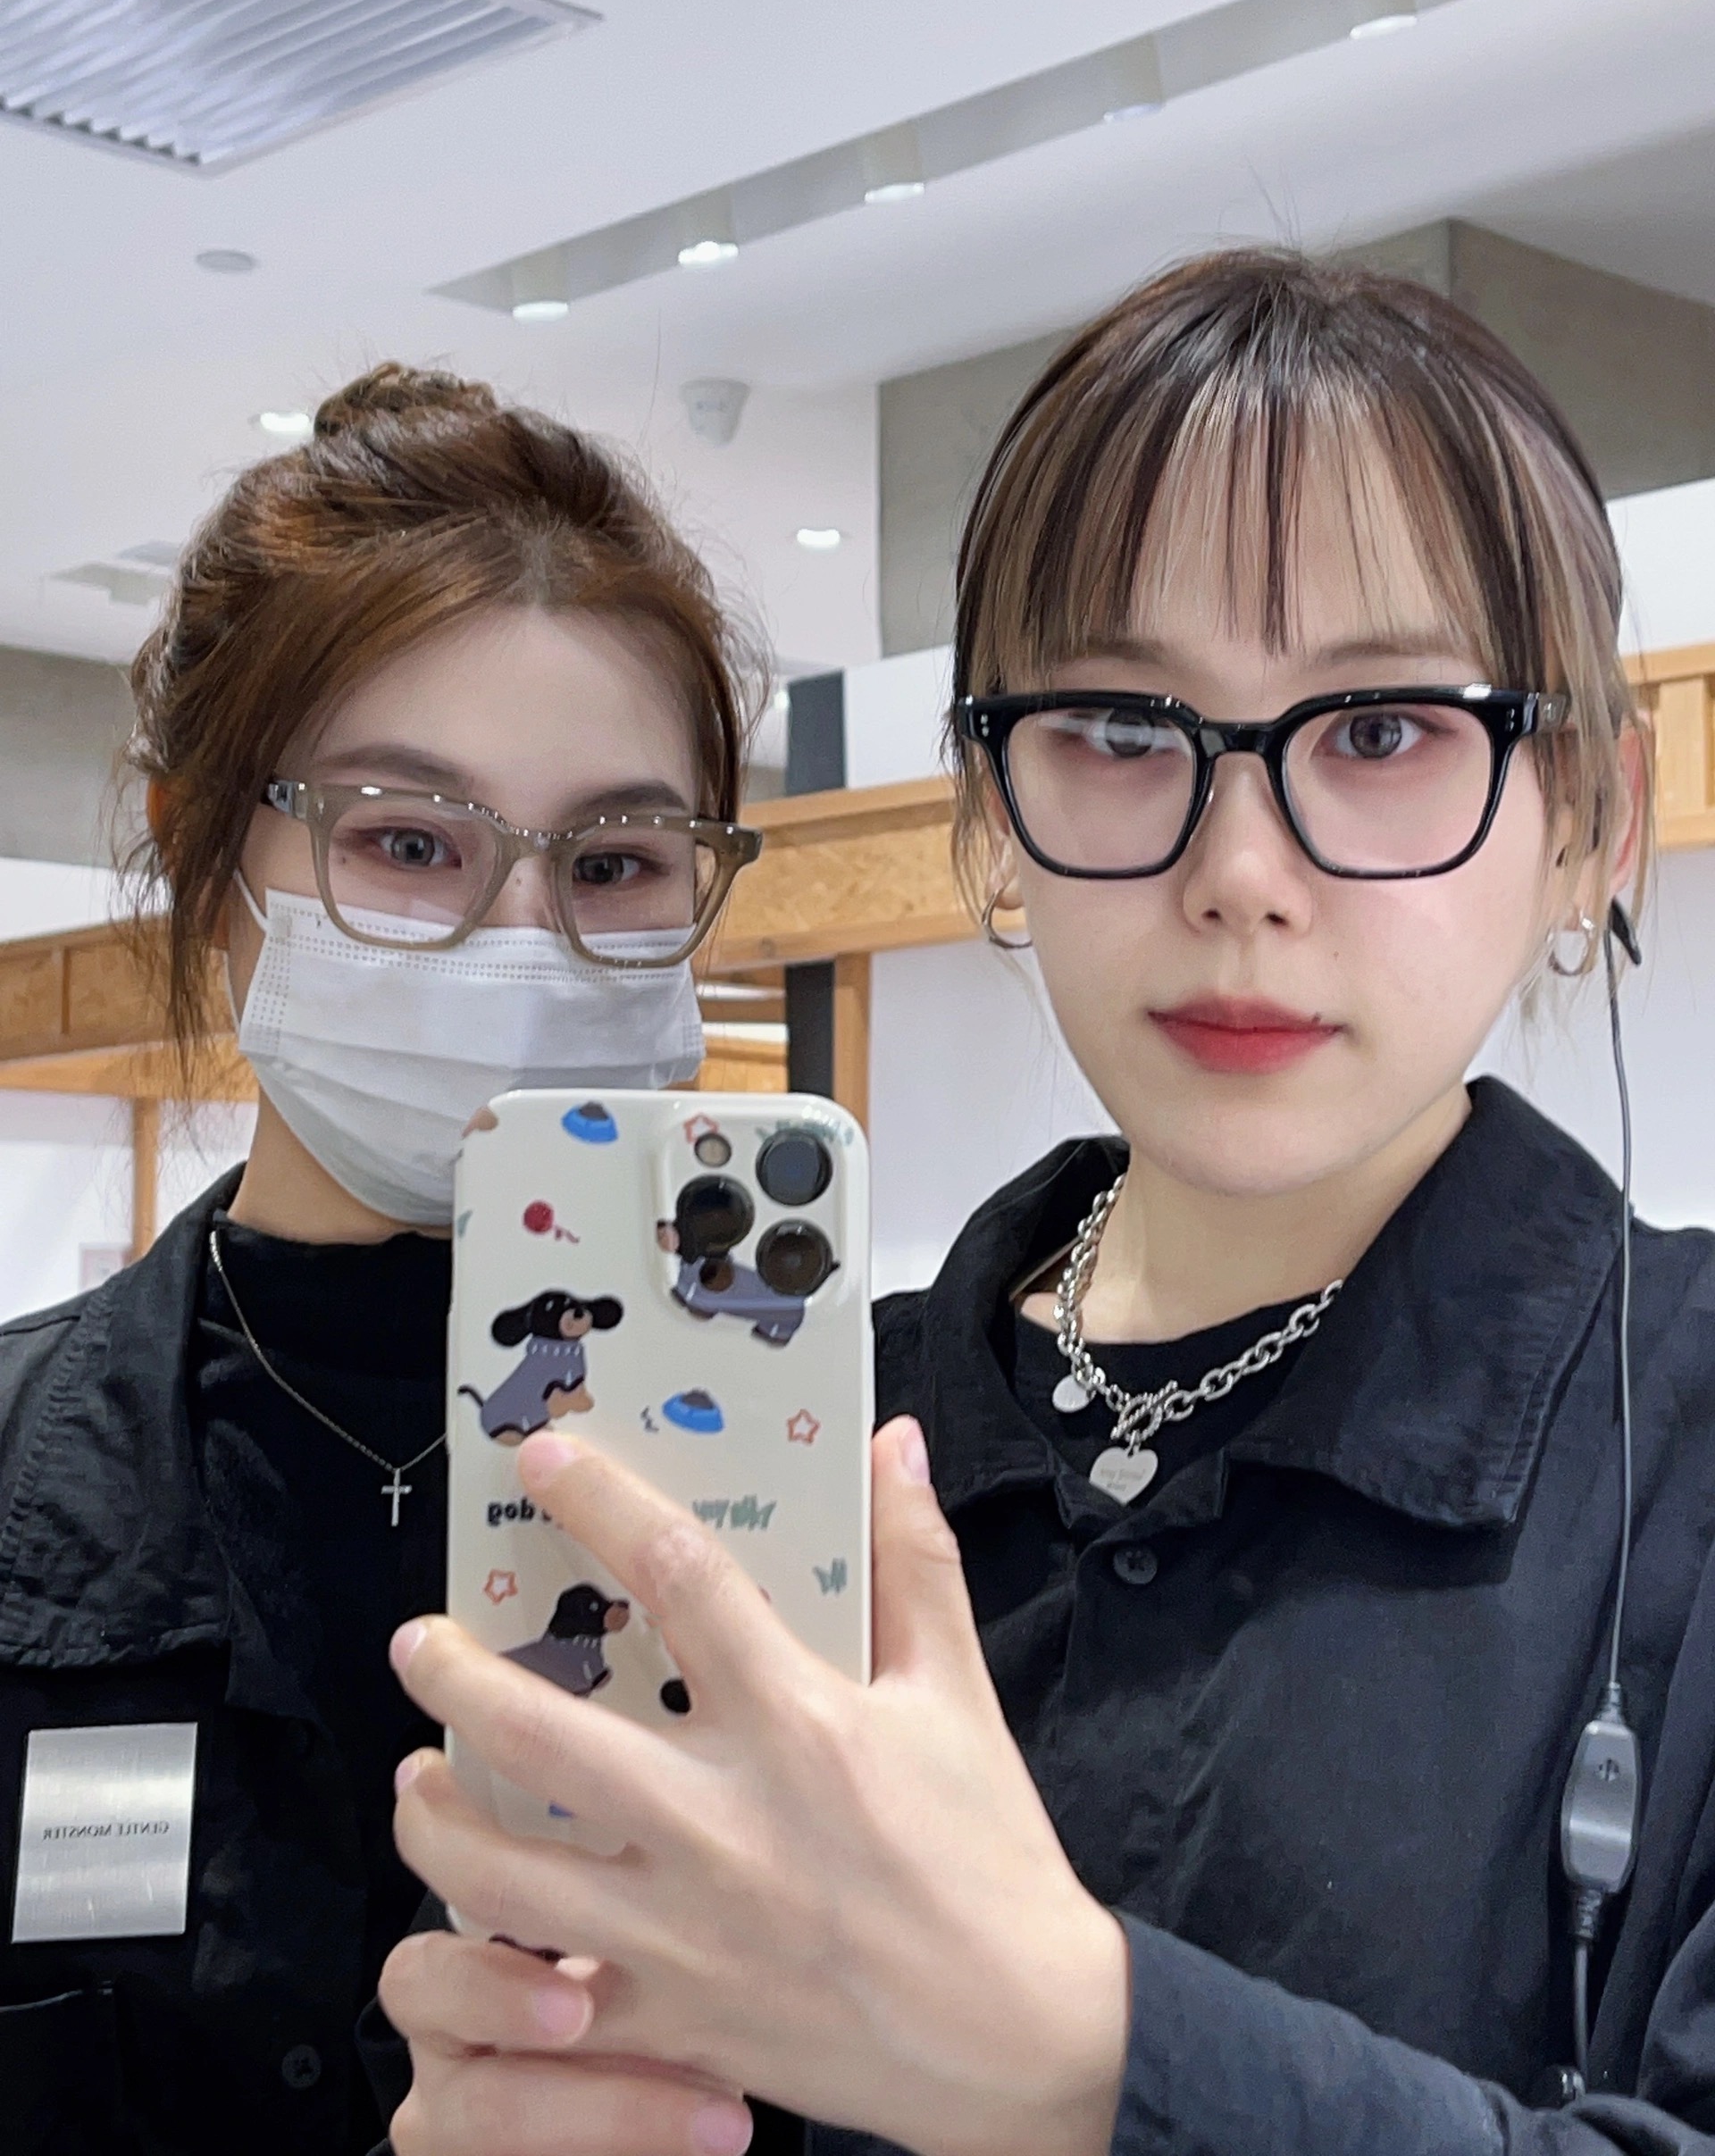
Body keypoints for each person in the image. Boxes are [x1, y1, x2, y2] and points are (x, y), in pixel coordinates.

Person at [376, 252, 1715, 2156]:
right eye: (1123, 729)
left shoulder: (1682, 1448)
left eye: (1380, 729)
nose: (1241, 871)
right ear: (992, 806)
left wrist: (1079, 2054)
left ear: (1587, 811)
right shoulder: (805, 1423)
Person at [0, 363, 763, 2156]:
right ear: (207, 852)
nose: (525, 940)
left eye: (617, 858)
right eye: (409, 841)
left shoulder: (831, 1481)